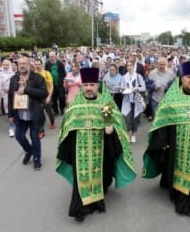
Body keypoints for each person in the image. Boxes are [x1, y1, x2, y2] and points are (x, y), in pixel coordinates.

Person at [56, 67, 136, 222]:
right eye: (86, 85)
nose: (89, 88)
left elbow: (118, 121)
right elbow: (67, 126)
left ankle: (98, 201)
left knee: (103, 174)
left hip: (102, 148)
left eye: (92, 84)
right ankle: (81, 207)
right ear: (82, 86)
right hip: (80, 150)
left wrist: (111, 127)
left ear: (97, 85)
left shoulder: (106, 103)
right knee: (81, 177)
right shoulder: (75, 105)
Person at [142, 62, 190, 217]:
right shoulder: (171, 98)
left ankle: (186, 202)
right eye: (188, 77)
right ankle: (177, 195)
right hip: (174, 145)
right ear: (181, 79)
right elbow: (162, 120)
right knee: (173, 170)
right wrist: (162, 143)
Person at [8, 56, 48, 169]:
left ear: (29, 65)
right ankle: (29, 151)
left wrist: (26, 90)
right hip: (20, 114)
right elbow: (10, 97)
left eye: (24, 63)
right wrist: (10, 114)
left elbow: (44, 93)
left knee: (35, 137)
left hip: (34, 113)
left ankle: (37, 159)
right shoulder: (14, 79)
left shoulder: (38, 78)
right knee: (19, 136)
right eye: (20, 63)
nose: (21, 66)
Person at [120, 60, 146, 143]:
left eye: (131, 65)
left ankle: (133, 134)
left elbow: (144, 88)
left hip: (136, 101)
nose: (129, 67)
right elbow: (121, 89)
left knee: (135, 119)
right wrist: (123, 89)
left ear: (133, 66)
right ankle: (129, 133)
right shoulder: (124, 77)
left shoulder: (138, 76)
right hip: (127, 101)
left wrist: (136, 88)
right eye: (128, 66)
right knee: (127, 118)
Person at [0, 59, 15, 136]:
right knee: (7, 112)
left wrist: (9, 89)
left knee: (11, 113)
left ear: (10, 66)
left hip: (11, 96)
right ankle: (13, 127)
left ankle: (12, 128)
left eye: (7, 65)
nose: (5, 66)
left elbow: (17, 86)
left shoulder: (13, 75)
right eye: (4, 65)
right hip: (1, 96)